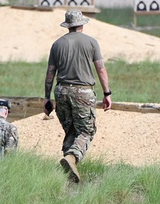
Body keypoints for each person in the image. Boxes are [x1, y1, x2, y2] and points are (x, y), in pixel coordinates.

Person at [43, 9, 112, 182]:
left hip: (61, 91)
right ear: (81, 24)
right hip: (83, 92)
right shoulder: (91, 42)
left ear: (67, 26)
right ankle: (72, 157)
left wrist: (47, 97)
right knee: (86, 130)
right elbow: (101, 69)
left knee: (71, 130)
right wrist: (107, 93)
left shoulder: (57, 44)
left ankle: (68, 174)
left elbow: (51, 72)